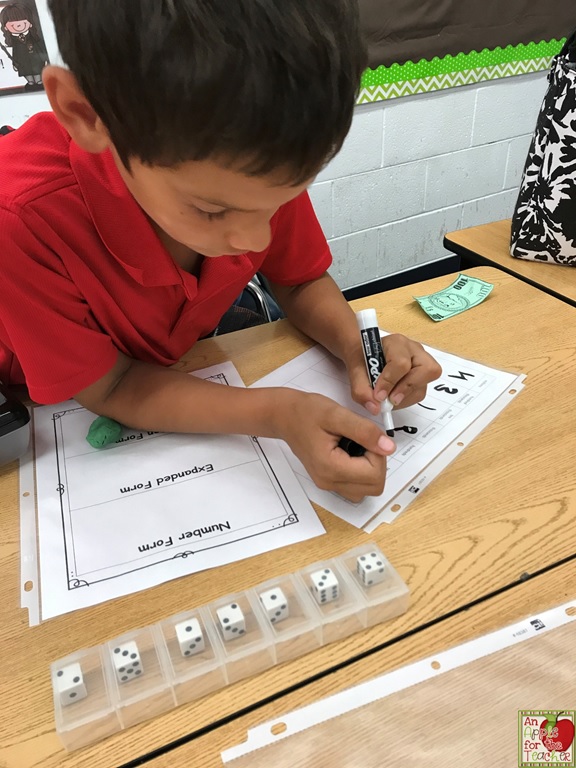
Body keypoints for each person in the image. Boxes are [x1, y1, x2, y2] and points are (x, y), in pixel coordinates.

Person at [0, 0, 441, 501]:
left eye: (283, 199)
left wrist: (356, 348)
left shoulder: (258, 157)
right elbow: (113, 386)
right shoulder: (18, 216)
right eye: (211, 210)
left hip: (174, 364)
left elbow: (296, 280)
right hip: (45, 405)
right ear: (87, 115)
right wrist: (277, 413)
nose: (256, 241)